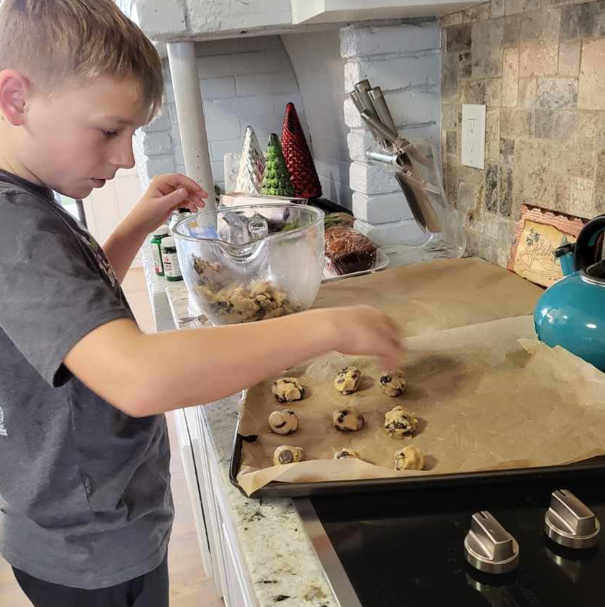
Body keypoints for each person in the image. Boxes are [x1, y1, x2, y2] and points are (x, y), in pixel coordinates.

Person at [0, 1, 403, 606]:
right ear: (15, 98)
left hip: (104, 518)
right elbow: (137, 378)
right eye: (110, 130)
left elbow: (72, 314)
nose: (126, 158)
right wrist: (328, 326)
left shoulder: (29, 208)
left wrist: (138, 221)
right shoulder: (15, 228)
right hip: (86, 548)